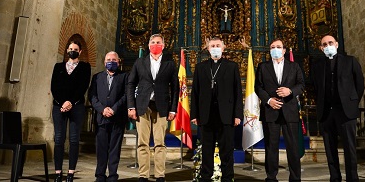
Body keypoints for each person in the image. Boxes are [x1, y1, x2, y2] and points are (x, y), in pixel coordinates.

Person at [311, 35, 365, 182]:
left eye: (330, 43)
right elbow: (316, 88)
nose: (327, 46)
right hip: (327, 113)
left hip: (346, 112)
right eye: (324, 44)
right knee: (330, 149)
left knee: (349, 148)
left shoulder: (350, 61)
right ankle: (335, 178)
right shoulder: (317, 65)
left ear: (336, 44)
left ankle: (352, 179)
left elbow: (359, 84)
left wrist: (351, 103)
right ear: (321, 48)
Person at [127, 34, 179, 182]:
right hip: (142, 106)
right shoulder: (139, 62)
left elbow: (175, 88)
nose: (155, 45)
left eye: (158, 42)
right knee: (142, 143)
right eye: (153, 42)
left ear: (163, 46)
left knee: (160, 143)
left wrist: (173, 109)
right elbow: (130, 84)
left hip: (162, 107)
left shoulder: (169, 63)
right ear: (149, 45)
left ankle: (159, 175)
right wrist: (131, 106)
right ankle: (143, 175)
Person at [191, 37, 243, 182]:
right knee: (206, 151)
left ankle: (228, 178)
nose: (215, 48)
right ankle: (205, 178)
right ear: (208, 49)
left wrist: (237, 114)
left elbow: (238, 92)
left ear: (223, 48)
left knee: (226, 152)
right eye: (212, 45)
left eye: (218, 45)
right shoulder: (201, 67)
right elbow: (195, 92)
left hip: (226, 115)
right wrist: (194, 114)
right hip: (206, 115)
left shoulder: (232, 66)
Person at [255, 39, 305, 182]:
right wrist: (269, 100)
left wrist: (290, 90)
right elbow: (258, 87)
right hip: (270, 111)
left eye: (278, 47)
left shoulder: (294, 66)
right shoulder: (263, 66)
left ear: (284, 50)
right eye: (272, 47)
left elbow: (301, 85)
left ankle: (295, 179)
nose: (275, 49)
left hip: (289, 111)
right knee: (271, 147)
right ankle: (271, 178)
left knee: (293, 147)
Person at [50, 40, 91, 182]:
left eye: (75, 49)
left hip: (76, 106)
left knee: (74, 140)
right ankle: (58, 173)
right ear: (67, 50)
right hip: (59, 106)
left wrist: (70, 102)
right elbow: (54, 87)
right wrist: (63, 102)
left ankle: (71, 173)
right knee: (59, 139)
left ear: (79, 52)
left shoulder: (85, 67)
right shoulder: (58, 66)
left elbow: (83, 87)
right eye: (70, 48)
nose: (72, 50)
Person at [88, 51, 128, 182]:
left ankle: (112, 176)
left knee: (114, 149)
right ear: (105, 62)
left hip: (117, 118)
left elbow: (126, 96)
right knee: (101, 149)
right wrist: (102, 109)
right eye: (109, 59)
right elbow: (92, 96)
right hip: (101, 118)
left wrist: (114, 109)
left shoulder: (124, 76)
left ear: (119, 61)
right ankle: (100, 175)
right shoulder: (97, 77)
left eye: (114, 60)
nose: (111, 62)